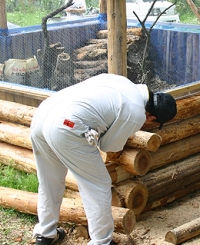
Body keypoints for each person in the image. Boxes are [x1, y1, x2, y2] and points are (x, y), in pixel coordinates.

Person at [30, 73, 177, 245]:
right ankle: (102, 242)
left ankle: (45, 234)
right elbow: (109, 146)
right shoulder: (137, 113)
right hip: (66, 125)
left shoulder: (124, 84)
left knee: (50, 179)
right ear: (152, 118)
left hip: (42, 115)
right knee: (98, 184)